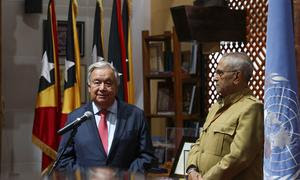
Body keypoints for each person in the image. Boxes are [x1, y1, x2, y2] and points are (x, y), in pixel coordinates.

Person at [56, 61, 156, 173]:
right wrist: (89, 175)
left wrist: (122, 176)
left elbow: (147, 157)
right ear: (89, 87)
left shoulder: (136, 115)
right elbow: (63, 160)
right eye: (97, 82)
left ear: (116, 87)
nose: (102, 88)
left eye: (108, 83)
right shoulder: (75, 117)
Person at [186, 52, 264, 180]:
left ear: (237, 77)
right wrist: (192, 169)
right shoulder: (216, 107)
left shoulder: (251, 108)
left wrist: (206, 179)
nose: (215, 78)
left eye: (220, 73)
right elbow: (199, 143)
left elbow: (240, 156)